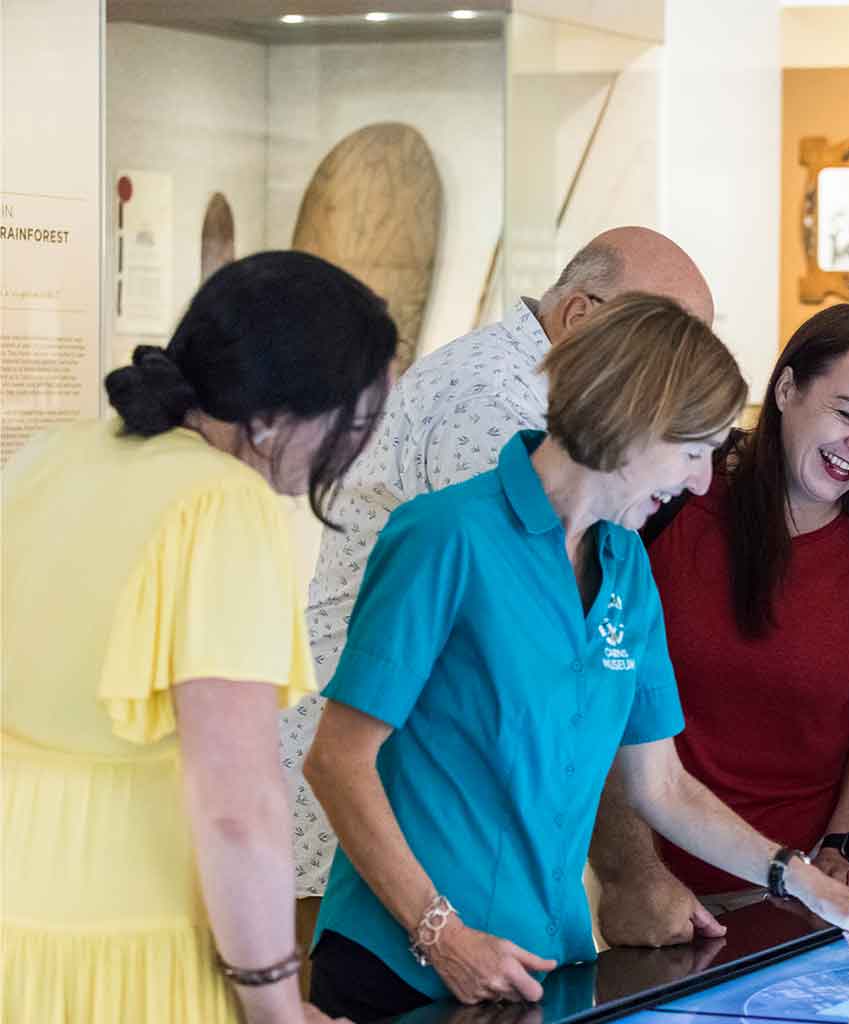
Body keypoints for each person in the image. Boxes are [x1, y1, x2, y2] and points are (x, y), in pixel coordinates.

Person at [302, 295, 849, 1024]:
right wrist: (441, 935)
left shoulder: (626, 565)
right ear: (632, 419)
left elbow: (663, 786)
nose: (701, 482)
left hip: (543, 961)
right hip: (401, 959)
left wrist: (808, 884)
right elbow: (337, 761)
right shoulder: (445, 536)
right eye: (694, 451)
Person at [1, 251, 381, 1024]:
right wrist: (278, 1012)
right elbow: (236, 804)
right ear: (274, 418)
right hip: (122, 947)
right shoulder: (221, 506)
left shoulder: (52, 455)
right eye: (355, 419)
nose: (359, 445)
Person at [282, 226, 715, 913]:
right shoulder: (490, 406)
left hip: (447, 836)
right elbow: (547, 670)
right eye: (667, 339)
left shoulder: (564, 438)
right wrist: (629, 875)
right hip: (361, 835)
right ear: (580, 315)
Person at [593, 303, 849, 946]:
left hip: (802, 890)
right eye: (848, 414)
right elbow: (603, 709)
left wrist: (841, 849)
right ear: (786, 389)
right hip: (648, 881)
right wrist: (630, 872)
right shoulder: (674, 500)